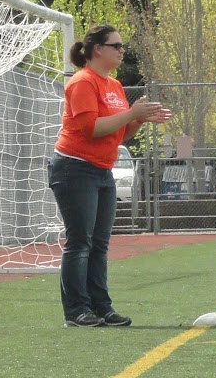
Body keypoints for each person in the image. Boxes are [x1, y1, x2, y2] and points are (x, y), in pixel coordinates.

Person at [48, 25, 171, 327]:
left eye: (121, 45)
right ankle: (76, 311)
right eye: (116, 45)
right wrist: (132, 113)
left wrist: (139, 119)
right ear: (97, 50)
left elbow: (117, 137)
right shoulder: (82, 83)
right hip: (74, 168)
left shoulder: (114, 85)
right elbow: (91, 129)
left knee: (99, 244)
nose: (121, 50)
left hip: (102, 171)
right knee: (80, 242)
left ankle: (101, 307)